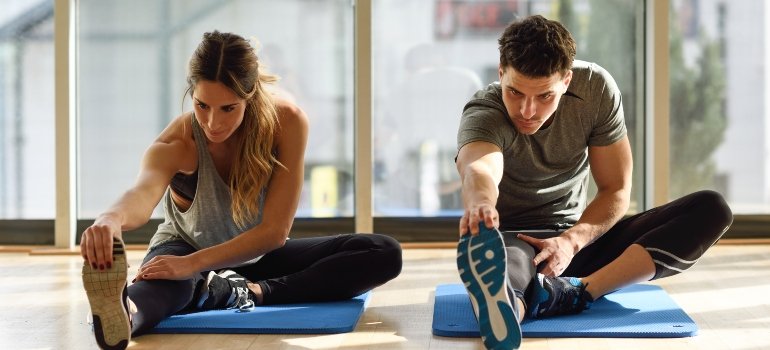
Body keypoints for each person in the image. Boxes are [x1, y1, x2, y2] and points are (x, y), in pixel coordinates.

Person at [80, 31, 403, 350]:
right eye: (202, 105)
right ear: (191, 93)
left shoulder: (287, 123)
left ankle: (248, 291)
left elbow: (274, 233)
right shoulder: (177, 142)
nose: (212, 123)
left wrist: (196, 266)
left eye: (228, 109)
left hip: (257, 255)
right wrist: (111, 218)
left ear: (249, 95)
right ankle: (126, 316)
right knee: (169, 286)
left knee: (383, 252)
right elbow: (142, 193)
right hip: (184, 249)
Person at [455, 15, 732, 350]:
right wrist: (482, 204)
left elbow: (616, 188)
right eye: (515, 92)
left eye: (544, 96)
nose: (527, 110)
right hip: (515, 240)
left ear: (567, 80)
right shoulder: (485, 110)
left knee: (711, 209)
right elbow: (481, 170)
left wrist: (571, 242)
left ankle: (578, 291)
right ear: (501, 73)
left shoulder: (595, 90)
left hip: (579, 241)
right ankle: (510, 308)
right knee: (503, 273)